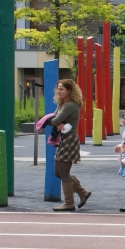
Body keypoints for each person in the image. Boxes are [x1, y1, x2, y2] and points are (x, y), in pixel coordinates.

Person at [50, 79, 92, 211]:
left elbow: (54, 120)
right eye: (58, 88)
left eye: (62, 89)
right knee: (58, 172)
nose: (58, 91)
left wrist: (55, 122)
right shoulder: (63, 104)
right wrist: (56, 122)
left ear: (69, 91)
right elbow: (55, 120)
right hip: (63, 140)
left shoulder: (70, 105)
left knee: (63, 172)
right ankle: (82, 192)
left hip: (69, 141)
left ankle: (69, 202)